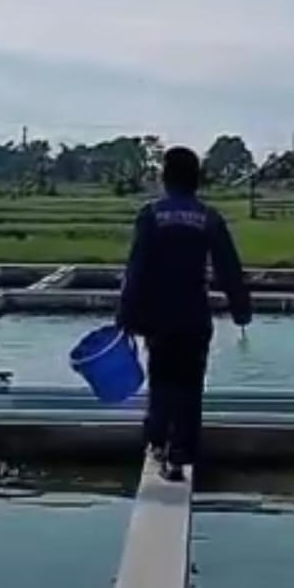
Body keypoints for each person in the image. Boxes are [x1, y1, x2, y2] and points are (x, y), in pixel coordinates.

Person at [117, 146, 252, 483]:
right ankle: (181, 455)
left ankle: (158, 445)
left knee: (161, 381)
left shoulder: (151, 215)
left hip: (159, 316)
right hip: (194, 314)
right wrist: (240, 309)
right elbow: (228, 268)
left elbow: (137, 269)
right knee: (190, 386)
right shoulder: (209, 217)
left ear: (165, 178)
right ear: (197, 180)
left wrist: (126, 315)